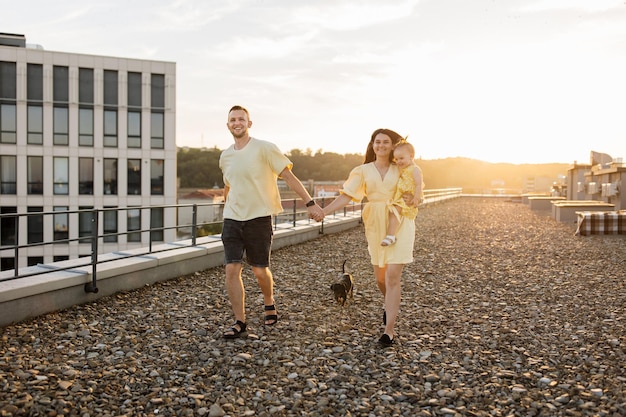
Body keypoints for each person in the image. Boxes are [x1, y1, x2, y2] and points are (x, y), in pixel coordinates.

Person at [219, 105, 324, 339]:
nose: (237, 123)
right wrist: (226, 210)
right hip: (232, 219)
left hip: (259, 218)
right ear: (228, 125)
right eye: (233, 120)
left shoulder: (265, 148)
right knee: (231, 268)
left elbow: (288, 176)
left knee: (259, 270)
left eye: (241, 119)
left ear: (249, 123)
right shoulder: (225, 155)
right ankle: (239, 321)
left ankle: (269, 301)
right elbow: (228, 185)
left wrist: (310, 203)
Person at [322, 128, 417, 346]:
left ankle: (389, 330)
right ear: (372, 145)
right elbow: (347, 196)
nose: (381, 146)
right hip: (375, 223)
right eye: (377, 142)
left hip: (399, 221)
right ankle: (389, 304)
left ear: (393, 145)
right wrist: (324, 212)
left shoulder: (401, 166)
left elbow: (414, 186)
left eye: (385, 142)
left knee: (393, 276)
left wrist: (414, 197)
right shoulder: (362, 170)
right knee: (381, 279)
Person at [381, 139, 424, 246]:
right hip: (400, 197)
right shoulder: (403, 168)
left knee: (395, 211)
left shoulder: (415, 169)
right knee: (392, 212)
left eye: (401, 158)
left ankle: (391, 236)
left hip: (409, 197)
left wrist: (416, 198)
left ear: (411, 156)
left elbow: (419, 184)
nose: (399, 161)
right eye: (396, 159)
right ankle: (391, 234)